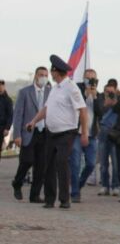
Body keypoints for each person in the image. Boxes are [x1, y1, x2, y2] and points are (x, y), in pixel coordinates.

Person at [26, 55, 89, 209]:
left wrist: (84, 133)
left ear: (56, 72)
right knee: (48, 165)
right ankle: (49, 199)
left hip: (66, 133)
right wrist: (34, 121)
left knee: (61, 163)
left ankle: (64, 199)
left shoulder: (71, 88)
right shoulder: (55, 88)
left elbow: (82, 110)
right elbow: (47, 109)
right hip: (51, 133)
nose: (50, 74)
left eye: (52, 71)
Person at [11, 67, 50, 201]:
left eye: (46, 75)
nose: (43, 77)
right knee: (27, 161)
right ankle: (17, 183)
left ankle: (35, 195)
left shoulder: (50, 92)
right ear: (35, 76)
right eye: (41, 75)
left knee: (41, 166)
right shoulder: (24, 92)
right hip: (28, 132)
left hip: (44, 132)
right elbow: (18, 115)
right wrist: (17, 135)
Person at [69, 69, 103, 203]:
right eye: (88, 78)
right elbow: (74, 106)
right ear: (83, 78)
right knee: (75, 163)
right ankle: (75, 193)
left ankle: (78, 185)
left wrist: (94, 97)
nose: (90, 81)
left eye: (93, 78)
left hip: (91, 134)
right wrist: (85, 94)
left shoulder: (98, 95)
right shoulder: (77, 90)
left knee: (90, 164)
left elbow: (101, 113)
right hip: (76, 133)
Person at [97, 82, 120, 196]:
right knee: (103, 163)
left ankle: (115, 185)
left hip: (115, 135)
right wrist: (105, 105)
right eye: (107, 91)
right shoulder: (100, 100)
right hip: (103, 134)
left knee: (116, 163)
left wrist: (115, 104)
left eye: (111, 92)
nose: (109, 94)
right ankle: (104, 185)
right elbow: (97, 113)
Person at [0, 79, 14, 163]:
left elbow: (10, 115)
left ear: (4, 87)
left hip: (2, 128)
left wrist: (7, 128)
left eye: (1, 85)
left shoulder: (8, 100)